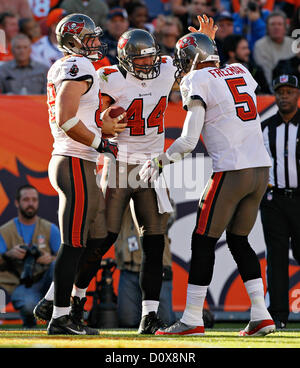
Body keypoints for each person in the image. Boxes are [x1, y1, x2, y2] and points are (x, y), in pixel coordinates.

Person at [139, 32, 276, 337]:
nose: (182, 67)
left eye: (185, 59)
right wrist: (205, 42)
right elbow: (222, 81)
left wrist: (160, 161)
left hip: (232, 170)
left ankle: (191, 318)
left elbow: (188, 141)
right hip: (260, 169)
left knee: (202, 240)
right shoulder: (239, 70)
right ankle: (261, 314)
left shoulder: (196, 80)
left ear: (193, 59)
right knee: (239, 240)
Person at [91, 15, 217, 335]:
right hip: (121, 162)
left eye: (151, 55)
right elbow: (87, 105)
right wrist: (101, 122)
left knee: (155, 240)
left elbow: (195, 63)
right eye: (141, 57)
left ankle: (149, 315)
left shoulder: (164, 67)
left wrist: (204, 44)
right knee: (103, 235)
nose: (149, 62)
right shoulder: (108, 77)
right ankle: (68, 301)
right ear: (125, 60)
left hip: (152, 165)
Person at [32, 13, 126, 335]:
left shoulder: (74, 67)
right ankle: (60, 318)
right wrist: (101, 141)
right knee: (73, 243)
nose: (97, 43)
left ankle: (56, 303)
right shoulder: (79, 66)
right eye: (90, 38)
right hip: (73, 161)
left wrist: (102, 124)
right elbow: (66, 118)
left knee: (96, 237)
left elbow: (77, 115)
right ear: (72, 41)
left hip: (77, 161)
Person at [260, 74, 300, 329]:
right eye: (280, 91)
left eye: (289, 91)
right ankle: (278, 315)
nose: (284, 95)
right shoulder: (266, 126)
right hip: (274, 200)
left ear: (297, 94)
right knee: (275, 259)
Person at [0, 185, 60, 328]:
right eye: (26, 200)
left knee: (57, 265)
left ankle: (61, 317)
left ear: (38, 202)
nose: (30, 203)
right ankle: (29, 322)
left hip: (47, 281)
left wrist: (49, 259)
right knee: (28, 306)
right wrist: (9, 255)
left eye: (34, 200)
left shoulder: (50, 229)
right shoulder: (5, 231)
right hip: (22, 284)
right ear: (17, 203)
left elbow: (66, 261)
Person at [114, 200, 176, 328]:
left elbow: (169, 215)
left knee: (165, 321)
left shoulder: (156, 190)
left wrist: (145, 196)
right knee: (127, 321)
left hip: (158, 268)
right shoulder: (119, 195)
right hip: (129, 268)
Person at [253, 10, 295, 90]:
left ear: (285, 27)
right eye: (272, 24)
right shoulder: (260, 46)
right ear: (267, 28)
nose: (276, 27)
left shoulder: (293, 44)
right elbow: (266, 73)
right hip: (272, 89)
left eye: (279, 24)